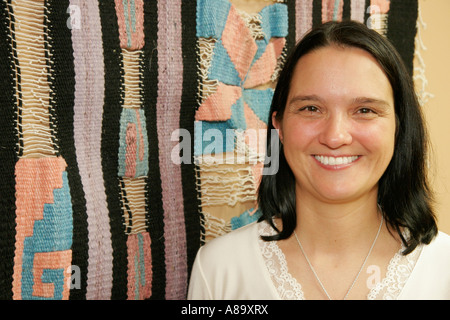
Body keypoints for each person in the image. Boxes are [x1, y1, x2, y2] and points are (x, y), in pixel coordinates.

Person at [187, 20, 450, 300]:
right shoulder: (218, 270)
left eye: (364, 109)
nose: (335, 136)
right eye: (311, 108)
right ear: (280, 127)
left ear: (398, 128)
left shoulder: (444, 269)